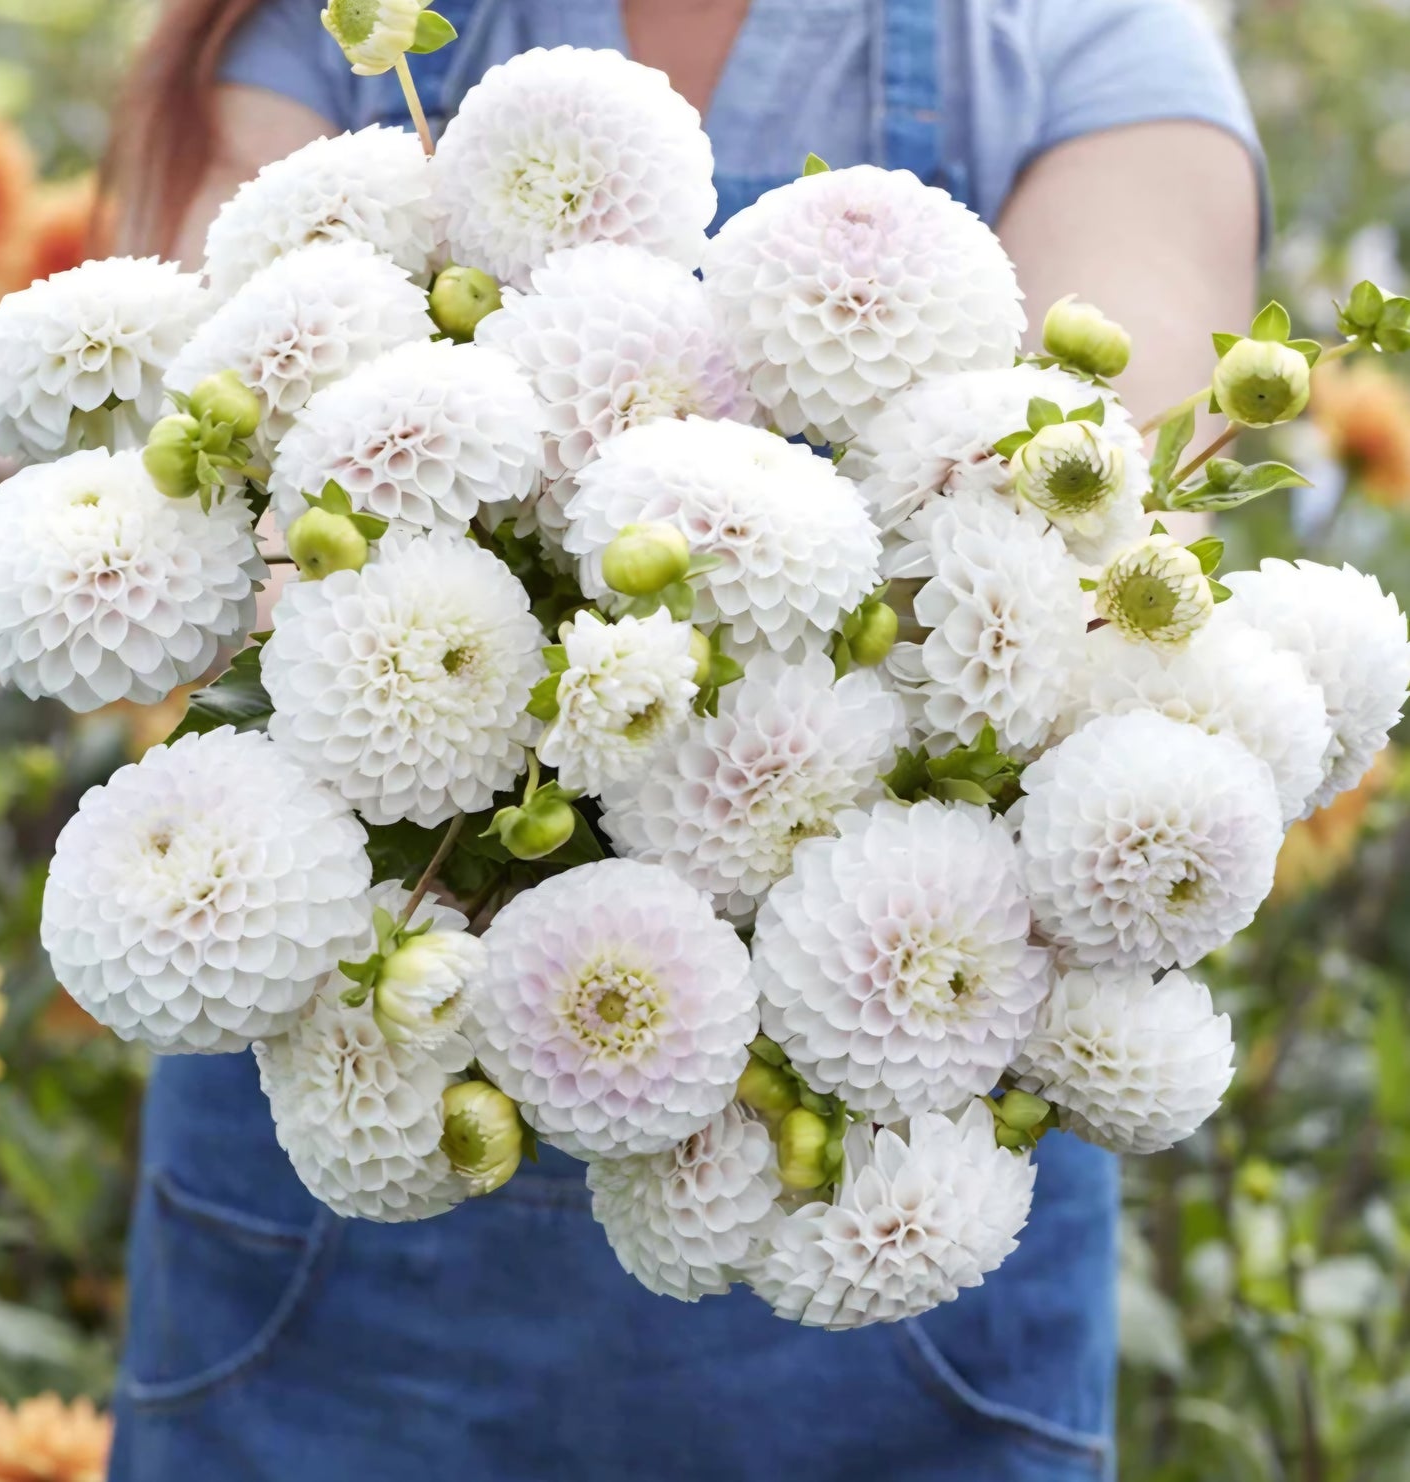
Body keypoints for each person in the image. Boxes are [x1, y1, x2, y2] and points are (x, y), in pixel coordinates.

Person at [103, 3, 1263, 1478]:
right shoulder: (324, 26)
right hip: (332, 1224)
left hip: (887, 1249)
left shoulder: (1077, 36)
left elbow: (1098, 495)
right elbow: (225, 416)